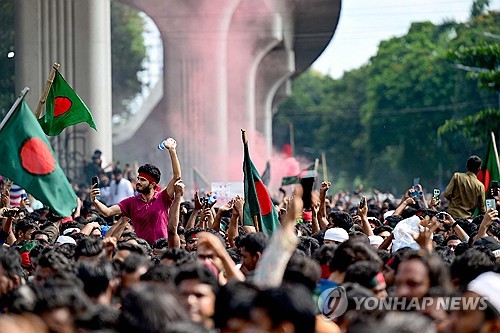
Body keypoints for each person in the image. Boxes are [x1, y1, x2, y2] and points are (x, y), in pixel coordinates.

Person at [90, 139, 181, 245]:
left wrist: (172, 150)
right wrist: (94, 200)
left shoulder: (163, 197)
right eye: (138, 179)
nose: (138, 182)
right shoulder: (131, 202)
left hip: (162, 250)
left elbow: (177, 176)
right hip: (142, 251)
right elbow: (107, 212)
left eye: (142, 180)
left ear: (152, 184)